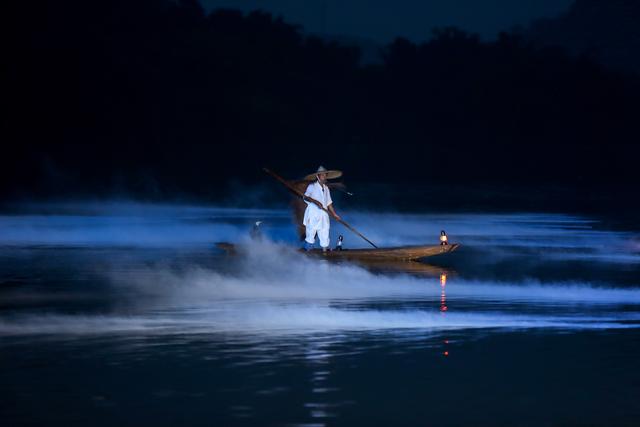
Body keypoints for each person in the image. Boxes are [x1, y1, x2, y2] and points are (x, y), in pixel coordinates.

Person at [302, 166, 342, 251]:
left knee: (325, 234)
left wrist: (334, 214)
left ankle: (325, 253)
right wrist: (315, 202)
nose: (324, 177)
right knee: (311, 234)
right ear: (318, 176)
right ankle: (307, 253)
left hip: (324, 215)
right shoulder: (312, 186)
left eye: (325, 175)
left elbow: (329, 203)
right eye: (322, 175)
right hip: (313, 214)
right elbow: (305, 197)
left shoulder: (326, 188)